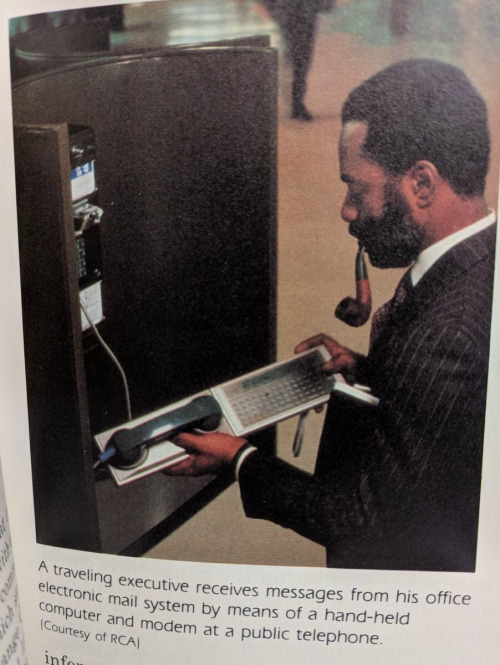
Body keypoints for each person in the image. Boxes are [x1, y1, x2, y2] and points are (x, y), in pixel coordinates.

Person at [166, 59, 496, 572]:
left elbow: (362, 519)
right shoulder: (482, 264)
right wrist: (366, 373)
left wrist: (239, 459)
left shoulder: (444, 335)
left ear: (423, 184)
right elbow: (447, 420)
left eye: (356, 189)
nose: (346, 210)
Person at [262, 0, 326, 121]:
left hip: (300, 13)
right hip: (293, 13)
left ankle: (296, 102)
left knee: (301, 57)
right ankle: (297, 104)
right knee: (300, 58)